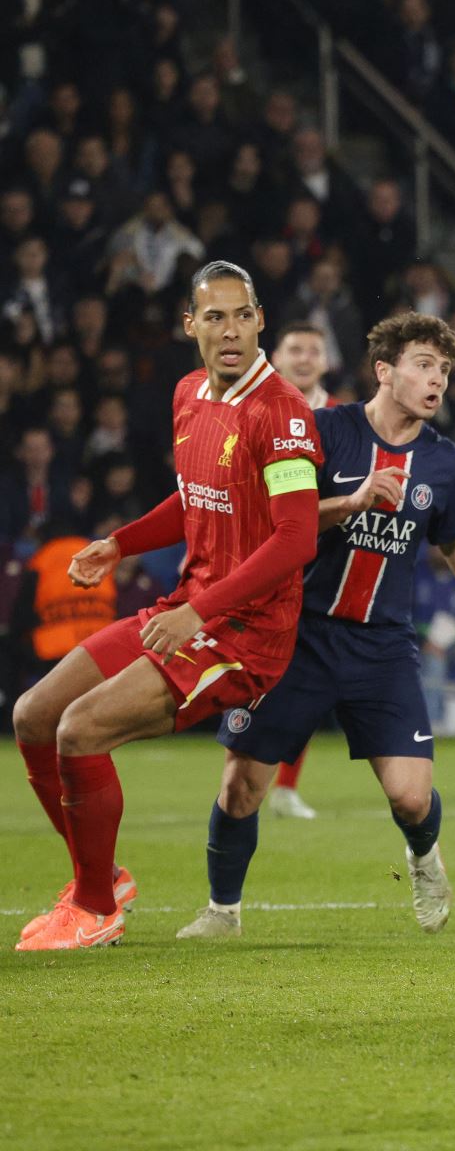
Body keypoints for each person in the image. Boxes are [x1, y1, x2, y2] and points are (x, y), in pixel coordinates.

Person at [175, 313, 455, 939]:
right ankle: (222, 911)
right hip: (296, 635)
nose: (437, 381)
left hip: (381, 646)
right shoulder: (325, 431)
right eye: (423, 365)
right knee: (242, 784)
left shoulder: (444, 463)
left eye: (444, 370)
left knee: (411, 798)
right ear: (384, 370)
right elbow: (277, 521)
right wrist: (350, 504)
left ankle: (425, 857)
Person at [11, 262, 325, 951]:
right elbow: (194, 498)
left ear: (261, 319)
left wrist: (199, 611)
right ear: (191, 326)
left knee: (79, 730)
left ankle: (95, 907)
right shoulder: (189, 394)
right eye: (214, 317)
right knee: (33, 716)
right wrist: (118, 543)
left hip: (244, 635)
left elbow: (296, 537)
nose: (231, 330)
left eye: (242, 315)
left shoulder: (285, 414)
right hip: (187, 608)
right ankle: (102, 879)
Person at [262, 321, 335, 820]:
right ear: (276, 357)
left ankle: (285, 785)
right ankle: (242, 773)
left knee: (310, 675)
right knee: (253, 673)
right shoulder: (258, 410)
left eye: (314, 350)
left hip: (322, 563)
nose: (305, 358)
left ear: (325, 361)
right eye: (296, 349)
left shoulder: (344, 418)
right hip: (259, 558)